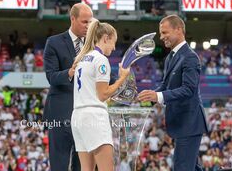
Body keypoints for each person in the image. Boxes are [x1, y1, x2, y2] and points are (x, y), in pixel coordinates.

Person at [138, 15, 208, 171]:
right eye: (161, 33)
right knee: (190, 167)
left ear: (178, 30)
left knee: (183, 167)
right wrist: (149, 97)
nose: (161, 37)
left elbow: (189, 89)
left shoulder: (190, 57)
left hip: (189, 124)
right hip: (182, 123)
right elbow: (165, 84)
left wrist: (158, 96)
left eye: (164, 32)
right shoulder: (171, 57)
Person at [71, 19, 130, 171]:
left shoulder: (82, 58)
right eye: (113, 42)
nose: (114, 47)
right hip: (94, 116)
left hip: (78, 116)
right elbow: (103, 95)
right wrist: (122, 78)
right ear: (106, 38)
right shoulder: (101, 59)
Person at [43, 3, 93, 171]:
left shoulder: (93, 45)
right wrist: (70, 72)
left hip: (86, 115)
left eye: (90, 22)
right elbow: (51, 77)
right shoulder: (54, 42)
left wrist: (121, 81)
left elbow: (102, 73)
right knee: (59, 165)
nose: (88, 26)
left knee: (83, 165)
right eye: (84, 22)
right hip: (60, 112)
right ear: (73, 19)